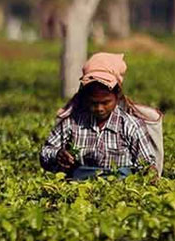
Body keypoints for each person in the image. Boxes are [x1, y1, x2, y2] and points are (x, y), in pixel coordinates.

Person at [40, 52, 158, 180]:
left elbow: (146, 163)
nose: (99, 108)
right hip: (80, 186)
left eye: (106, 102)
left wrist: (150, 173)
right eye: (93, 103)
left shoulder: (131, 126)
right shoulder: (72, 122)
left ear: (117, 96)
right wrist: (57, 154)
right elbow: (45, 152)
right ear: (85, 98)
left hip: (120, 189)